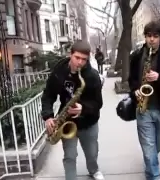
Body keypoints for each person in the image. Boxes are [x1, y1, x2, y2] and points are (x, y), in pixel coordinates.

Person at [41, 40, 104, 180]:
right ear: (70, 54)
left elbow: (98, 103)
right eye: (77, 58)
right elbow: (48, 95)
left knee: (92, 153)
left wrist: (84, 108)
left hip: (88, 122)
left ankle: (94, 170)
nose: (80, 62)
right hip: (67, 121)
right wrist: (48, 116)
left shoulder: (92, 76)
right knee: (69, 156)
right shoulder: (59, 72)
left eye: (84, 59)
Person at [128, 20, 160, 180]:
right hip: (144, 108)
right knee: (148, 146)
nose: (151, 39)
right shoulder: (136, 55)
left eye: (155, 36)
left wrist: (159, 76)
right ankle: (155, 175)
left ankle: (150, 162)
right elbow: (131, 79)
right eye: (149, 36)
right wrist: (135, 90)